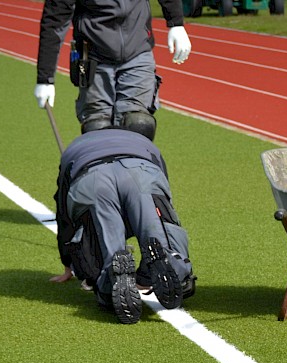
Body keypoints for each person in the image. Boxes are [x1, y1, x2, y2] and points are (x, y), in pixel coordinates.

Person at [54, 127, 195, 324]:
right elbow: (165, 202)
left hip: (92, 178)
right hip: (141, 171)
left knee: (105, 251)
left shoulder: (75, 146)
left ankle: (111, 279)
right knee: (158, 235)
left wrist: (68, 263)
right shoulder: (142, 141)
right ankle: (170, 266)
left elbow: (64, 215)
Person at [34, 0, 192, 140]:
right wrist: (45, 78)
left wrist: (176, 23)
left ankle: (133, 172)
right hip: (94, 57)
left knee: (138, 125)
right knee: (98, 129)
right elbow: (55, 20)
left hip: (138, 50)